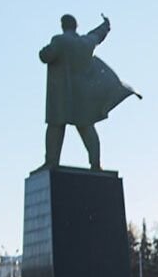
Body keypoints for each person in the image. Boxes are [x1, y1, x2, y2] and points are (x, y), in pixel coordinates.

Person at [39, 13, 140, 171]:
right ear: (75, 26)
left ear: (62, 25)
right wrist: (105, 25)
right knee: (87, 129)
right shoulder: (85, 42)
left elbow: (45, 56)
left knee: (55, 128)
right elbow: (97, 35)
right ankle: (95, 163)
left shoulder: (59, 41)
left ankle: (51, 161)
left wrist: (44, 50)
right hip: (81, 96)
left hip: (61, 98)